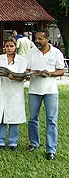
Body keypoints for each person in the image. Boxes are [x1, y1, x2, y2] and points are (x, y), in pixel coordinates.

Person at [26, 29, 65, 160]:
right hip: (34, 90)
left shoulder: (56, 53)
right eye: (36, 38)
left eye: (40, 39)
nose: (37, 41)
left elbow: (61, 71)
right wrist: (30, 74)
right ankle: (33, 143)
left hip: (51, 91)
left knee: (52, 120)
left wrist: (48, 73)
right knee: (33, 119)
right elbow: (27, 70)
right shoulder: (31, 52)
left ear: (47, 39)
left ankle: (51, 149)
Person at [0, 37, 27, 151]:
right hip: (3, 90)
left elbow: (22, 77)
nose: (9, 48)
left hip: (15, 92)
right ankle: (0, 141)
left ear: (15, 47)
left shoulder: (22, 60)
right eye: (7, 46)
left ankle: (13, 142)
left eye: (11, 46)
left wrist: (14, 77)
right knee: (2, 117)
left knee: (14, 117)